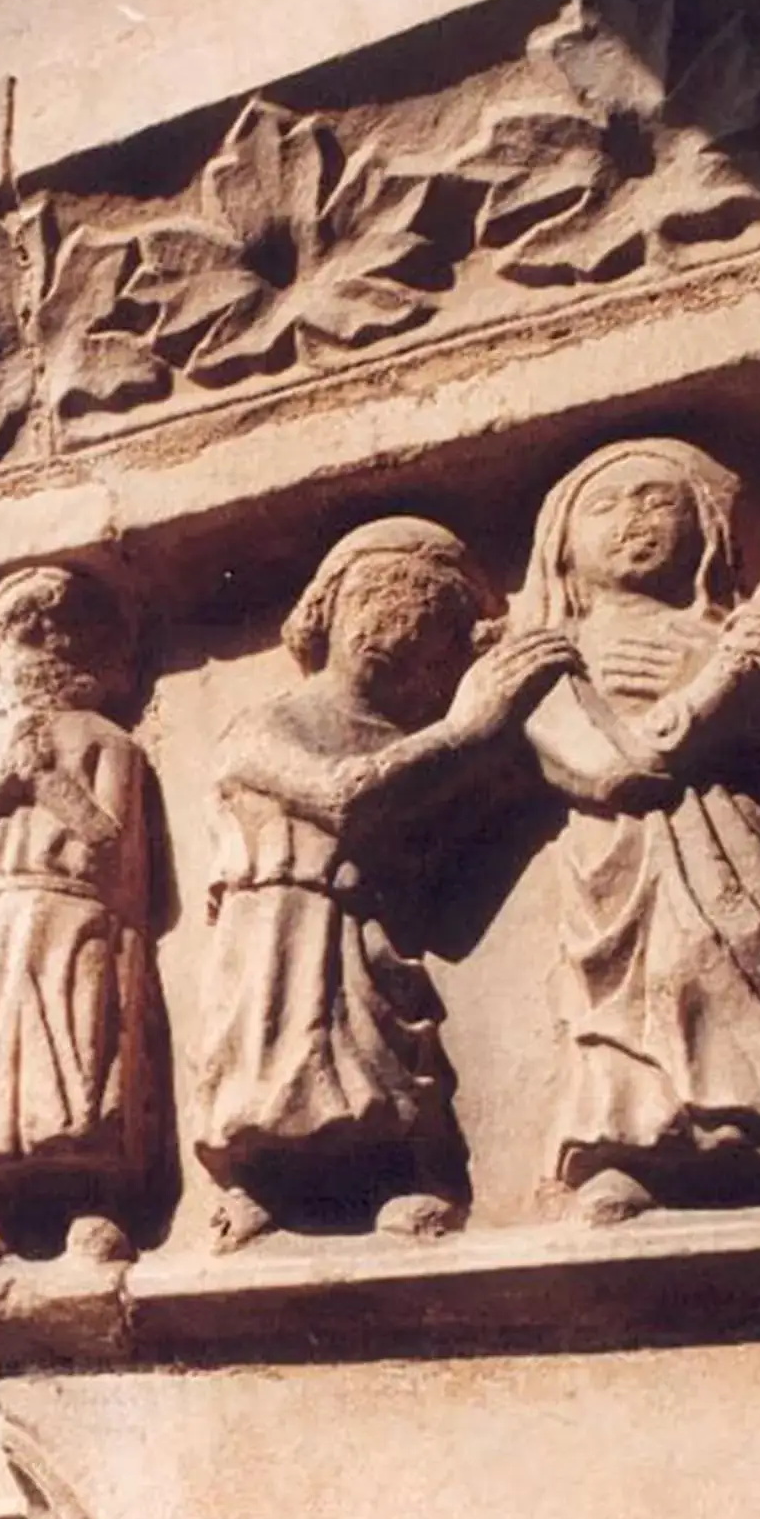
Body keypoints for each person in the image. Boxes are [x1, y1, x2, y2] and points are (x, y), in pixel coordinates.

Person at [512, 438, 760, 1221]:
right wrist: (722, 683)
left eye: (656, 499)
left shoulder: (744, 628)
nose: (632, 522)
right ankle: (625, 1152)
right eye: (605, 508)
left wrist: (750, 668)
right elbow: (611, 767)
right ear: (564, 548)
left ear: (709, 526)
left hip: (744, 831)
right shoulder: (551, 653)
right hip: (626, 855)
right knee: (639, 991)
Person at [192, 517, 575, 1245]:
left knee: (373, 1051)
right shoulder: (264, 724)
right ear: (325, 608)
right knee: (269, 1048)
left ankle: (390, 1178)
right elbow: (340, 797)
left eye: (423, 612)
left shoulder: (409, 744)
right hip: (275, 915)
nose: (391, 621)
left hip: (369, 923)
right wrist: (467, 730)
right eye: (372, 596)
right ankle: (258, 1187)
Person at [0, 565, 160, 1276]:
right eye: (21, 641)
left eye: (54, 640)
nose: (37, 655)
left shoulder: (106, 743)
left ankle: (91, 1202)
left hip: (70, 913)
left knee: (81, 1057)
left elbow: (112, 842)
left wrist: (48, 782)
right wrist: (3, 784)